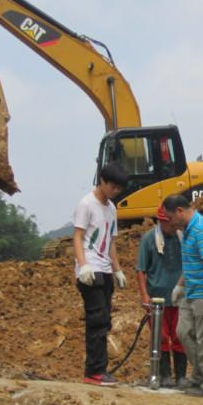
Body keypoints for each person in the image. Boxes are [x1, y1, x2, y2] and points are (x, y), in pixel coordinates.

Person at [162, 194, 203, 399]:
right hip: (191, 291)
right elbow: (192, 262)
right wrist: (179, 286)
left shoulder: (201, 229)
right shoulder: (186, 232)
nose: (170, 222)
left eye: (170, 217)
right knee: (184, 332)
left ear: (180, 212)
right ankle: (200, 376)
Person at [72, 162, 129, 386]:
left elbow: (111, 241)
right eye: (113, 187)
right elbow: (78, 236)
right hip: (90, 268)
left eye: (119, 189)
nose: (115, 192)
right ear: (102, 181)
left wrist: (117, 269)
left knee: (105, 321)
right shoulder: (87, 204)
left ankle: (100, 370)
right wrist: (83, 265)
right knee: (97, 319)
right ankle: (93, 372)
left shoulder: (112, 209)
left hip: (104, 268)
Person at [136, 205, 186, 387]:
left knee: (180, 336)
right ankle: (164, 375)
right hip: (157, 300)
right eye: (170, 223)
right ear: (161, 221)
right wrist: (144, 296)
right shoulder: (150, 239)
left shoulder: (182, 237)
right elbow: (141, 269)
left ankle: (181, 376)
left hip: (179, 299)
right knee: (161, 338)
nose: (174, 226)